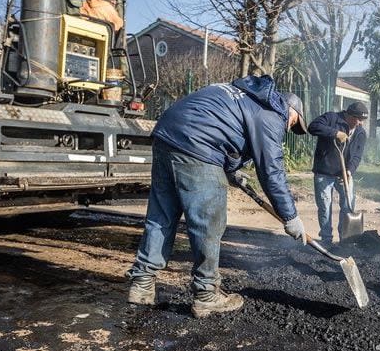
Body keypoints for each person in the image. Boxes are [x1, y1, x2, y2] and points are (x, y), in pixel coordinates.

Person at [126, 75, 309, 317]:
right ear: (291, 110)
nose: (290, 128)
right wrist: (290, 216)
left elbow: (220, 125)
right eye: (294, 123)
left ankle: (141, 285)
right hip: (198, 147)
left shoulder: (244, 96)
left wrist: (231, 171)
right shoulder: (271, 113)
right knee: (209, 222)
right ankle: (206, 294)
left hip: (167, 136)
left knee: (162, 215)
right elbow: (271, 172)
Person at [307, 101, 368, 245]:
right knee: (325, 206)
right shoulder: (331, 118)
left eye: (362, 120)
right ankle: (327, 239)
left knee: (348, 206)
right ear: (348, 115)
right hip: (324, 172)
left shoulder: (360, 132)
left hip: (344, 175)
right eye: (358, 119)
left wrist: (349, 171)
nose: (360, 123)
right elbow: (312, 127)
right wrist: (335, 133)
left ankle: (345, 240)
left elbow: (357, 156)